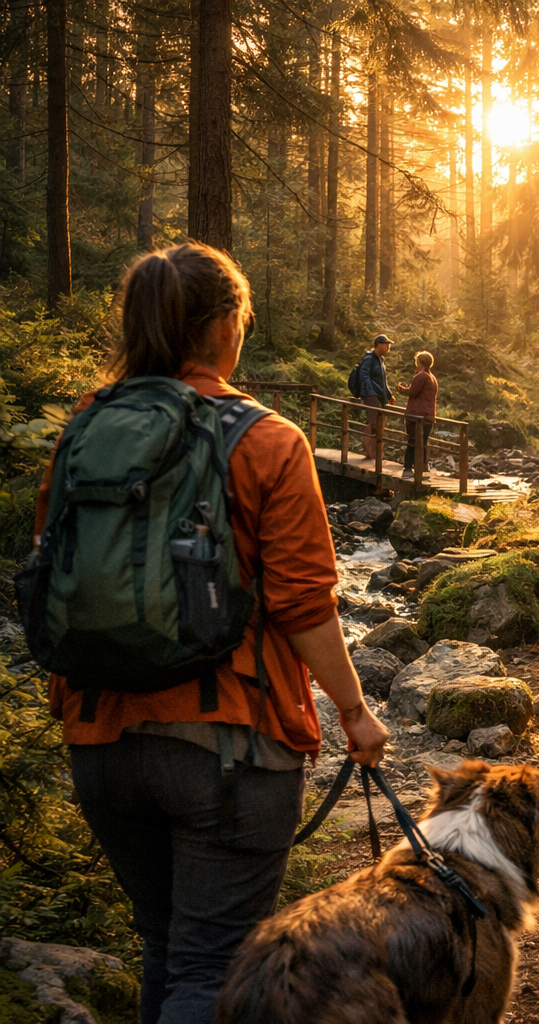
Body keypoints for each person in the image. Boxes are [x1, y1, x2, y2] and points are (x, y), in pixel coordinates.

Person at [37, 243, 390, 1024]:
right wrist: (356, 713)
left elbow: (50, 573)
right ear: (228, 325)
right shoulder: (266, 440)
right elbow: (303, 603)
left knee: (165, 945)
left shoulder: (82, 431)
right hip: (230, 745)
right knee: (214, 967)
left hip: (100, 740)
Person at [395, 350, 438, 481]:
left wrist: (400, 389)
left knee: (413, 441)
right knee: (422, 444)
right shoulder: (432, 377)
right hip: (428, 416)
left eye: (417, 361)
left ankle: (408, 468)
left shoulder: (422, 376)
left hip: (417, 416)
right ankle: (420, 470)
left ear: (420, 362)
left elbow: (413, 392)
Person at [355, 334, 393, 460]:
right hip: (371, 395)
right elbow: (364, 376)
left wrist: (389, 395)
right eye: (386, 344)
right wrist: (370, 394)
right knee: (373, 424)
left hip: (378, 396)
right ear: (379, 344)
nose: (388, 346)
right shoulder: (369, 358)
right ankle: (371, 454)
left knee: (378, 424)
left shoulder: (380, 360)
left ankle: (376, 454)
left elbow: (382, 380)